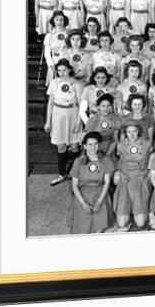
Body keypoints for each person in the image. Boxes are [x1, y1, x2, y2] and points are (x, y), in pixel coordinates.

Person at [45, 58, 84, 186]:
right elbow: (50, 103)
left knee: (74, 146)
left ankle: (75, 173)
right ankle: (62, 173)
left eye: (64, 70)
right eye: (59, 70)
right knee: (60, 146)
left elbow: (81, 105)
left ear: (69, 70)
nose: (62, 73)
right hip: (58, 114)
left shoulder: (77, 84)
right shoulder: (54, 83)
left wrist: (79, 122)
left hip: (72, 114)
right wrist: (48, 121)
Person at [70, 131, 115, 234]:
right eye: (90, 144)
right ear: (85, 146)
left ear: (98, 145)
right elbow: (75, 186)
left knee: (98, 230)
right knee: (84, 230)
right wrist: (83, 203)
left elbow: (107, 182)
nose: (92, 147)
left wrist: (99, 202)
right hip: (83, 194)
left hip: (100, 193)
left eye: (95, 144)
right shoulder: (78, 161)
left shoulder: (106, 160)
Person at [114, 121, 152, 230]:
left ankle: (141, 211)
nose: (131, 134)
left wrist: (148, 173)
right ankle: (128, 211)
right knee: (121, 224)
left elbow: (151, 161)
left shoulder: (146, 144)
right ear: (125, 132)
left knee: (140, 223)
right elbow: (119, 161)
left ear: (139, 132)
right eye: (129, 132)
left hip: (141, 178)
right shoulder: (121, 145)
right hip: (126, 178)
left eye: (134, 131)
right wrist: (119, 172)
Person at [82, 93, 120, 161]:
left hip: (110, 148)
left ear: (111, 107)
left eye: (108, 106)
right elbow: (86, 138)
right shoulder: (92, 120)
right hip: (95, 149)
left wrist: (107, 155)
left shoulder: (116, 119)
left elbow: (115, 140)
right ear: (98, 107)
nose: (106, 108)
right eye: (103, 106)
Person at [43, 11, 69, 85]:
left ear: (65, 20)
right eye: (57, 20)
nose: (59, 22)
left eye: (61, 20)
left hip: (67, 60)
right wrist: (51, 65)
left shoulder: (69, 34)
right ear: (53, 21)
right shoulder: (49, 35)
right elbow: (47, 53)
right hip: (55, 61)